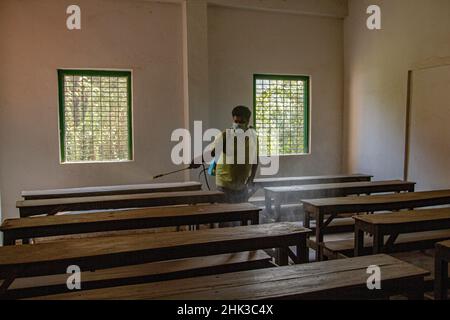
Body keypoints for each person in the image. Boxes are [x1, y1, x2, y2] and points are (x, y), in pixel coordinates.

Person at [213, 106, 259, 203]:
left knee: (242, 213)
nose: (238, 124)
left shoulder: (253, 136)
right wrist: (197, 160)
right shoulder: (225, 135)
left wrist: (252, 177)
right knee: (225, 214)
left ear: (248, 121)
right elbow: (211, 153)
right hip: (224, 184)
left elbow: (255, 158)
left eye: (241, 122)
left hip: (242, 184)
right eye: (236, 122)